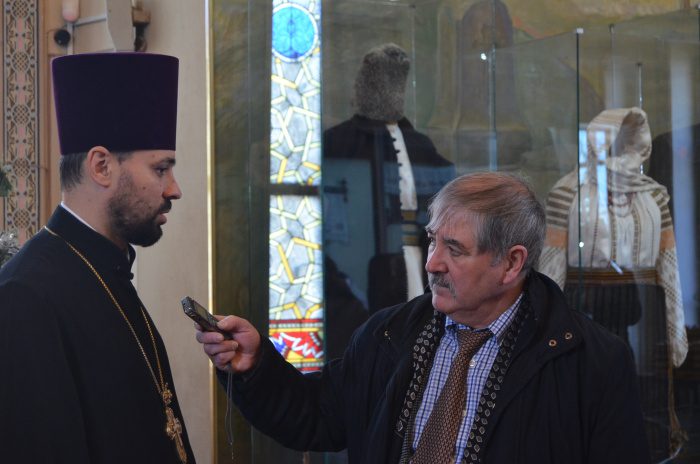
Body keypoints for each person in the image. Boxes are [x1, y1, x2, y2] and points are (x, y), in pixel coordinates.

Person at [196, 172, 650, 463]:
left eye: (455, 250)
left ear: (511, 264)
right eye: (432, 241)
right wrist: (256, 366)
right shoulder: (390, 333)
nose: (432, 263)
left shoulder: (591, 363)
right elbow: (319, 415)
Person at [0, 53, 195, 463]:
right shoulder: (24, 295)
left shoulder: (110, 270)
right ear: (102, 166)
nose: (174, 189)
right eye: (161, 169)